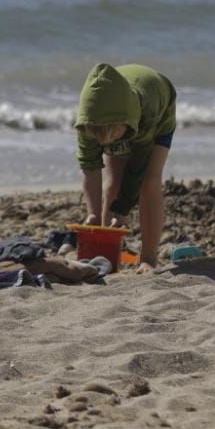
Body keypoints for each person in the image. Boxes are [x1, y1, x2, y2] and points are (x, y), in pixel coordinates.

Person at [74, 62, 177, 273]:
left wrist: (122, 210)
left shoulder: (145, 115)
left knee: (150, 181)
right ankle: (107, 255)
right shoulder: (89, 124)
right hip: (117, 113)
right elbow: (90, 168)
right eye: (100, 140)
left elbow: (138, 168)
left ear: (126, 125)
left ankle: (148, 258)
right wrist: (92, 214)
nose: (106, 143)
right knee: (113, 185)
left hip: (158, 111)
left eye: (112, 138)